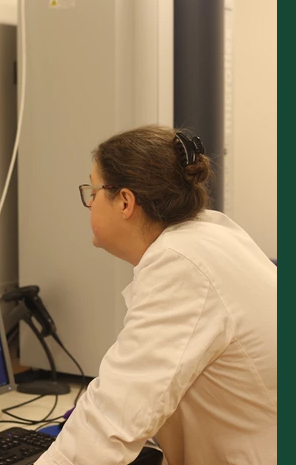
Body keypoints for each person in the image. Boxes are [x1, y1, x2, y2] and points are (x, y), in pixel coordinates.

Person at [35, 125, 277, 465]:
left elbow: (115, 416)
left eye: (93, 191)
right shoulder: (210, 232)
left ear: (125, 201)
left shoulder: (181, 265)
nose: (89, 203)